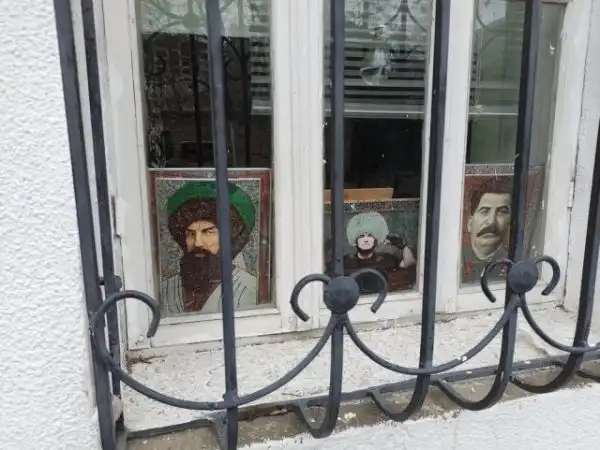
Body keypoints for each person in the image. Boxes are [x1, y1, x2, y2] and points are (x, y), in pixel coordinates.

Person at [161, 181, 257, 315]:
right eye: (190, 234)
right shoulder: (165, 290)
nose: (198, 243)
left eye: (208, 232)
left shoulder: (250, 291)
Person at [343, 211, 416, 294]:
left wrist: (403, 246)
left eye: (370, 235)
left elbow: (409, 263)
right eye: (361, 236)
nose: (366, 240)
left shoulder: (387, 259)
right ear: (355, 239)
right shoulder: (346, 262)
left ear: (375, 240)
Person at [463, 178, 512, 283]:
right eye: (484, 211)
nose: (491, 221)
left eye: (501, 212)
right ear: (470, 223)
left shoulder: (512, 266)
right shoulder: (453, 261)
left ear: (510, 223)